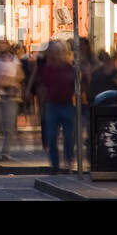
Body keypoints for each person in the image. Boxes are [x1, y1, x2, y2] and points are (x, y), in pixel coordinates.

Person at [38, 42, 76, 172]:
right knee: (52, 136)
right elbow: (43, 87)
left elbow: (77, 85)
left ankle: (68, 160)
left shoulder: (69, 68)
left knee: (68, 136)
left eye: (57, 52)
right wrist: (42, 106)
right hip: (52, 106)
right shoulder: (48, 69)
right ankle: (55, 164)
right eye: (52, 52)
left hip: (67, 105)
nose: (54, 55)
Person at [0, 41, 23, 160]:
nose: (2, 47)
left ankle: (6, 152)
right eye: (0, 44)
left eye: (4, 45)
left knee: (9, 126)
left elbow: (20, 75)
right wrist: (1, 82)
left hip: (10, 96)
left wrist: (10, 81)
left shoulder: (14, 60)